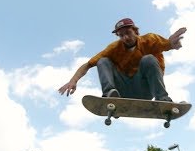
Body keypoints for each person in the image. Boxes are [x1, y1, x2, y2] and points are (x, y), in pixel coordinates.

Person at [58, 18, 187, 102]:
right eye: (121, 35)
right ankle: (110, 96)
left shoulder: (150, 40)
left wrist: (171, 43)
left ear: (135, 31)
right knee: (102, 61)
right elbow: (87, 65)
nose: (125, 37)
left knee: (148, 59)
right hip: (123, 91)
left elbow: (166, 44)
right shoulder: (114, 48)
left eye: (128, 33)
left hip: (146, 89)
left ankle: (162, 99)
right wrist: (73, 81)